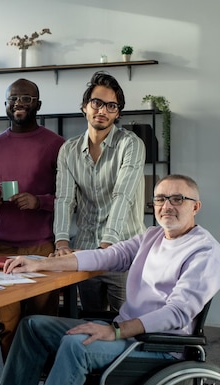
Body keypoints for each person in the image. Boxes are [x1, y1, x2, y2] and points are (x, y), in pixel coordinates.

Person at [0, 174, 220, 385]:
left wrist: (116, 331)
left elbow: (178, 313)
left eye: (177, 199)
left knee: (77, 345)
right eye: (160, 199)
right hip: (127, 335)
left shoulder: (205, 251)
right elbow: (106, 256)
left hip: (158, 345)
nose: (167, 206)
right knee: (32, 327)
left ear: (195, 207)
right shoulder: (152, 236)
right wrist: (40, 264)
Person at [0, 78, 66, 362]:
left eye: (26, 98)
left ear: (38, 104)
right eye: (13, 98)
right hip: (2, 249)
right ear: (5, 104)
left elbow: (68, 196)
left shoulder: (56, 144)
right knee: (7, 326)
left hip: (41, 248)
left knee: (42, 323)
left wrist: (39, 201)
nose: (18, 103)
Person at [53, 71, 146, 315]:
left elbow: (123, 195)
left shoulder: (131, 144)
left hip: (124, 251)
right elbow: (64, 199)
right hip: (85, 249)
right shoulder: (68, 150)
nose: (102, 111)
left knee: (127, 322)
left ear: (117, 113)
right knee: (91, 321)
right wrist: (61, 241)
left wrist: (108, 246)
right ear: (85, 106)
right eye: (97, 103)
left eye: (111, 106)